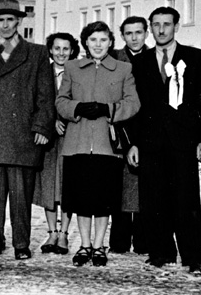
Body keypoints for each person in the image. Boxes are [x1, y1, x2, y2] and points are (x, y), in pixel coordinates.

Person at [128, 6, 201, 276]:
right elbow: (136, 107)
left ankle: (193, 256)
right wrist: (134, 142)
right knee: (154, 199)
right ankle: (161, 251)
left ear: (176, 26)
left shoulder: (195, 57)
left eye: (166, 24)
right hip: (151, 142)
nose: (161, 30)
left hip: (183, 141)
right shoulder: (140, 62)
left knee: (186, 200)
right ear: (150, 29)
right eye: (156, 25)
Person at [0, 0, 55, 260]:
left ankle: (21, 243)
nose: (5, 25)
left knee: (20, 195)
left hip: (23, 134)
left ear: (19, 22)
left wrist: (41, 126)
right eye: (0, 20)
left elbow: (45, 95)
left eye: (10, 20)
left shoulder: (37, 53)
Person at [56, 21, 140, 267]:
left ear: (111, 42)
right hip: (78, 142)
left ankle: (99, 245)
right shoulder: (72, 67)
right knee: (81, 199)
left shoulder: (123, 69)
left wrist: (108, 109)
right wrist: (77, 108)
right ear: (85, 42)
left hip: (107, 144)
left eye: (103, 40)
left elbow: (133, 103)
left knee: (104, 200)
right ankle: (84, 245)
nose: (98, 45)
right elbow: (61, 101)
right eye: (93, 40)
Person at [33, 32, 80, 255]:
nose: (61, 53)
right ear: (50, 50)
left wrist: (67, 120)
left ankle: (64, 233)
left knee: (66, 184)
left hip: (71, 135)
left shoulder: (77, 72)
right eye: (57, 48)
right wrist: (49, 123)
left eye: (66, 49)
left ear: (72, 51)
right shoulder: (42, 72)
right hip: (48, 139)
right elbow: (36, 102)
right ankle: (51, 232)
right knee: (49, 185)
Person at [110, 16, 149, 255]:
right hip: (119, 128)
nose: (134, 38)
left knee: (143, 186)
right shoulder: (114, 58)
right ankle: (119, 239)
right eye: (129, 33)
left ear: (146, 33)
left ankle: (143, 239)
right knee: (120, 186)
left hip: (145, 129)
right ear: (122, 35)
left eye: (138, 32)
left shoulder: (154, 58)